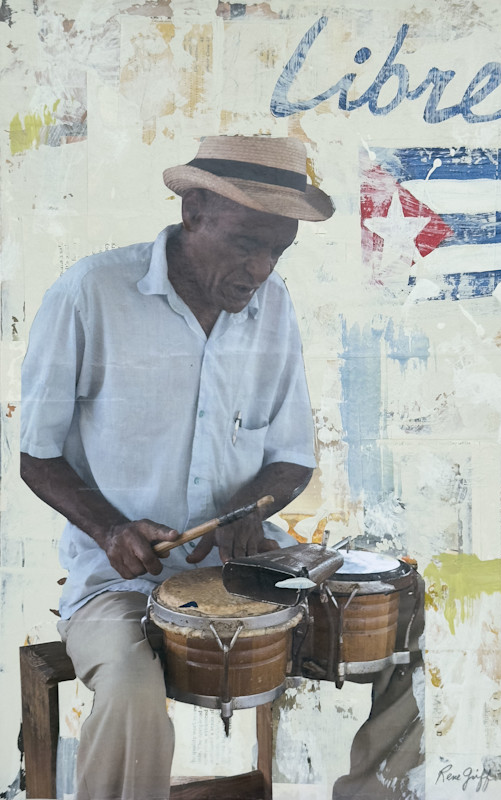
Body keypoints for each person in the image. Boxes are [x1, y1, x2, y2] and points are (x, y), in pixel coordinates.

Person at [20, 135, 334, 800]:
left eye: (278, 250)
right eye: (247, 241)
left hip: (246, 573)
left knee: (391, 631)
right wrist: (111, 531)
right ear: (194, 211)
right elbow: (35, 455)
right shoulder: (89, 293)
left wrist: (252, 509)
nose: (261, 267)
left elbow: (291, 458)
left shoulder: (273, 307)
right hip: (116, 585)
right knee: (134, 693)